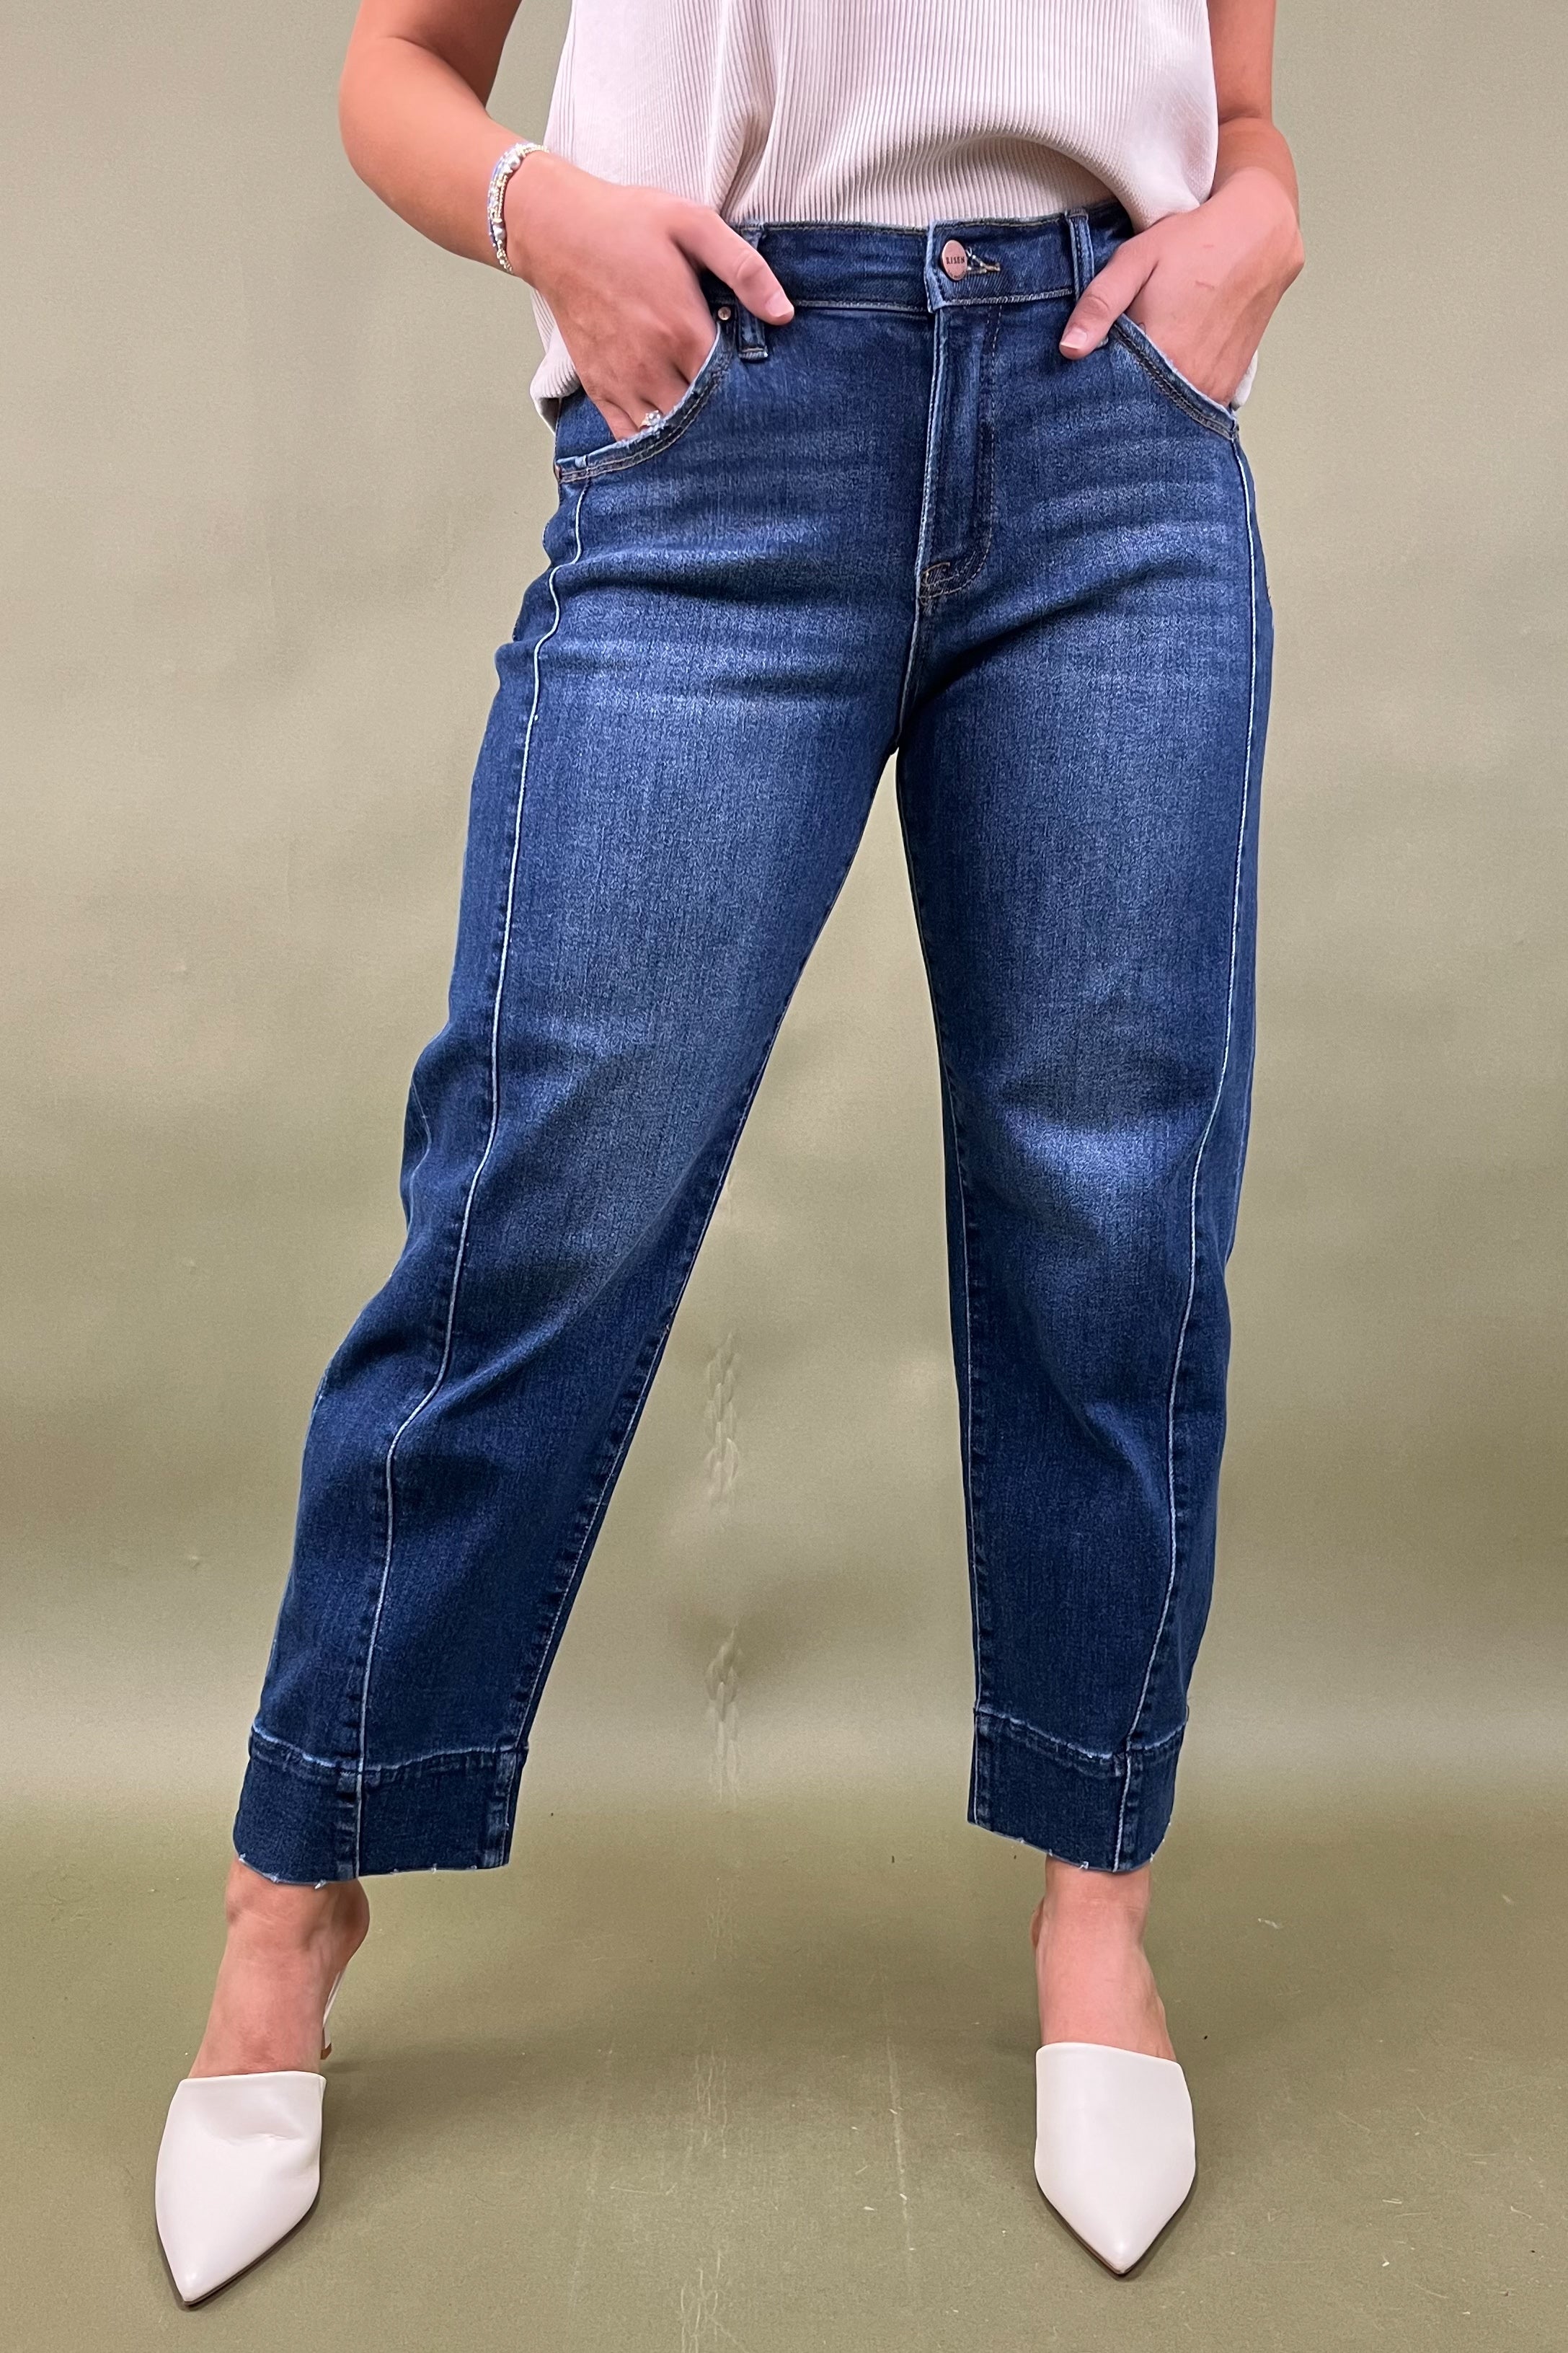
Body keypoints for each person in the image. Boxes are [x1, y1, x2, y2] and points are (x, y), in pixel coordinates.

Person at [154, 0, 1303, 2300]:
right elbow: (396, 71)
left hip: (1118, 433)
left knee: (1116, 1217)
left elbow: (1238, 93)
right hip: (731, 412)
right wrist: (545, 217)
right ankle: (293, 1895)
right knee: (537, 1201)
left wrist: (1258, 211)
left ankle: (1098, 1908)